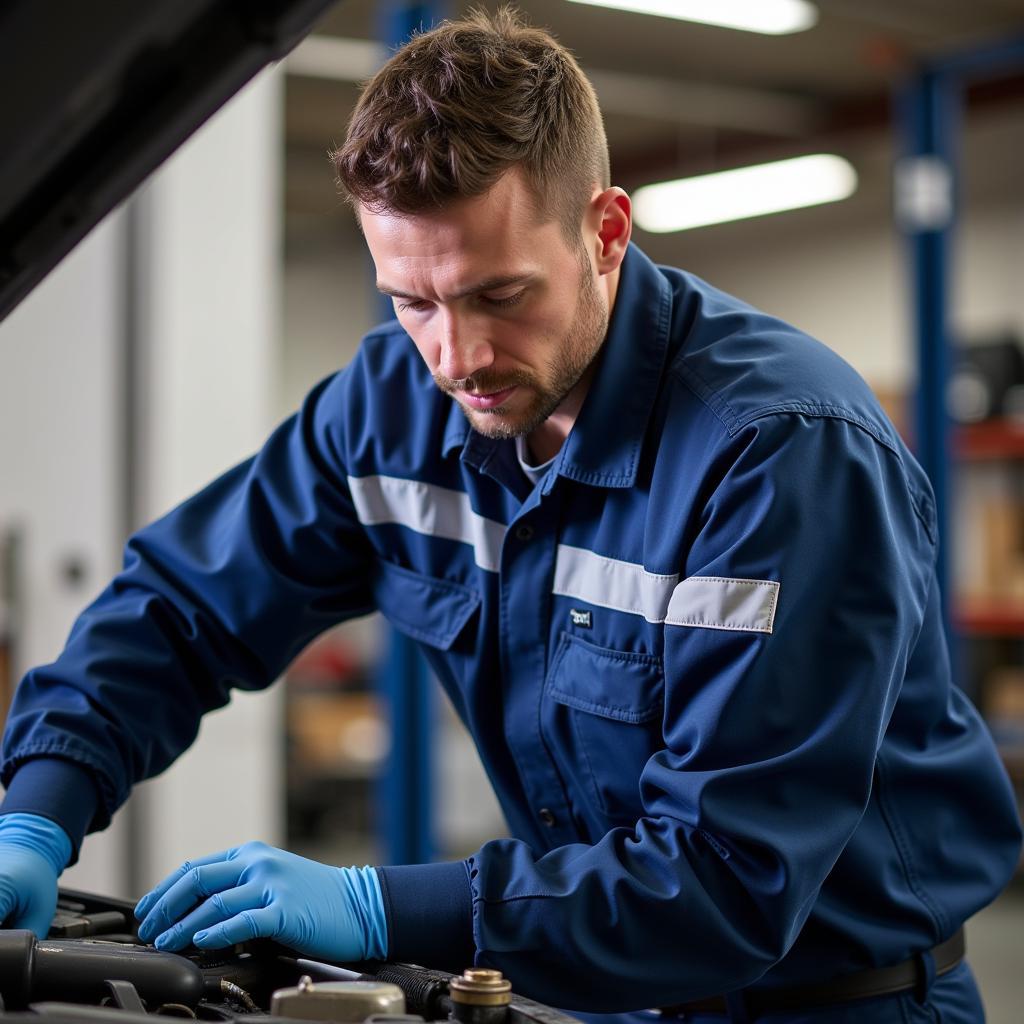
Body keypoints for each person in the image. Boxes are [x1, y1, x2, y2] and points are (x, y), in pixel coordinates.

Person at [0, 7, 1020, 1022]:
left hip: (837, 1003)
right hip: (595, 990)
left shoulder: (777, 451)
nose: (458, 356)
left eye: (500, 294)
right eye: (413, 301)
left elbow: (726, 876)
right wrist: (35, 818)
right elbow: (182, 606)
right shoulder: (389, 407)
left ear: (606, 232)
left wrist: (374, 903)